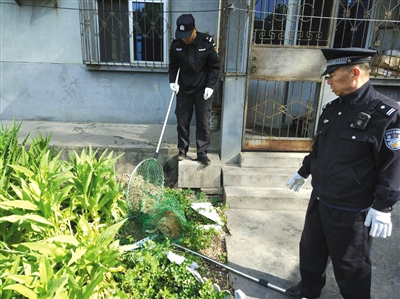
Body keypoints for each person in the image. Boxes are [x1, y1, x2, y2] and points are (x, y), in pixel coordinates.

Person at [285, 47, 400, 299]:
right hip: (321, 198)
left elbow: (393, 164)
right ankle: (308, 288)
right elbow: (320, 148)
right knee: (311, 250)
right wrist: (304, 171)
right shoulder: (333, 109)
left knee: (351, 265)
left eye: (332, 76)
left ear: (354, 73)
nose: (328, 82)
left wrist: (383, 206)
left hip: (351, 207)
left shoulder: (386, 114)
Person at [169, 14, 220, 166]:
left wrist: (210, 86)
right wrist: (172, 82)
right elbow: (173, 66)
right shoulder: (176, 44)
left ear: (195, 30)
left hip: (202, 89)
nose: (184, 39)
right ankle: (182, 151)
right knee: (182, 120)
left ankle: (202, 153)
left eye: (187, 35)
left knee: (203, 122)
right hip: (184, 88)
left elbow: (214, 67)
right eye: (182, 35)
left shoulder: (206, 42)